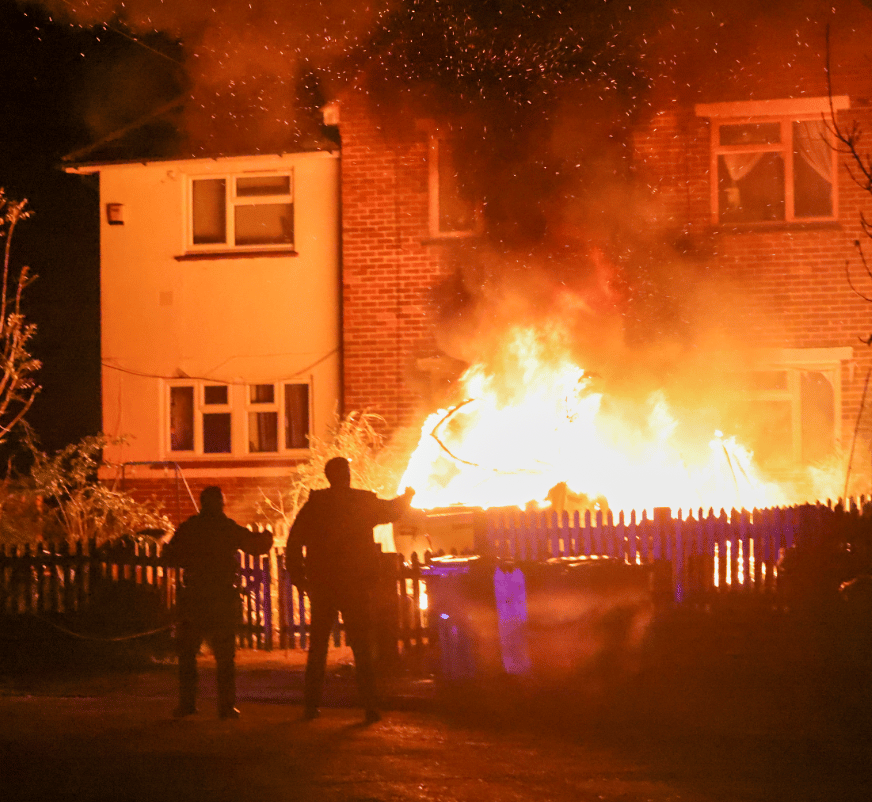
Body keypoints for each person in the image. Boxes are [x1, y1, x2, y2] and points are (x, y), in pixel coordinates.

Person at [286, 457, 415, 723]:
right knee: (362, 648)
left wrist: (300, 576)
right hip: (354, 584)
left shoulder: (316, 506)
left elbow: (294, 540)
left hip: (323, 585)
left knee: (319, 647)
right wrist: (408, 497)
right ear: (345, 475)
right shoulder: (360, 502)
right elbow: (391, 511)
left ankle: (311, 707)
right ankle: (370, 707)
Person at [163, 486, 273, 719]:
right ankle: (225, 706)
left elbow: (170, 556)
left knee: (188, 654)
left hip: (194, 596)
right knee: (225, 657)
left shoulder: (190, 527)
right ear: (220, 504)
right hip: (222, 597)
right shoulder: (226, 527)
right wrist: (267, 536)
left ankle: (187, 704)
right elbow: (255, 546)